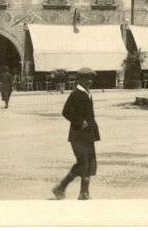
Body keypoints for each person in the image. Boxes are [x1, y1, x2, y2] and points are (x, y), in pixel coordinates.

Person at [52, 67, 100, 200]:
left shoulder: (87, 93)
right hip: (78, 135)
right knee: (82, 162)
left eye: (91, 78)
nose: (89, 81)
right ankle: (60, 188)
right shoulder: (76, 93)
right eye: (86, 78)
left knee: (90, 162)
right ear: (80, 79)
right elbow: (66, 112)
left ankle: (84, 193)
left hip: (88, 134)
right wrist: (80, 122)